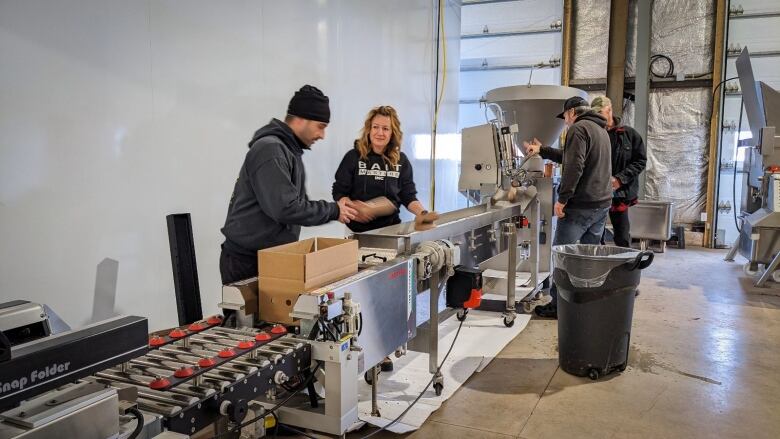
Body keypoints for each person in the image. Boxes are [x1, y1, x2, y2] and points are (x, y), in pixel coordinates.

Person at [220, 85, 357, 285]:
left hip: (270, 258)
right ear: (301, 119)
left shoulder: (288, 151)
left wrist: (335, 211)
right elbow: (286, 208)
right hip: (247, 263)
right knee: (246, 318)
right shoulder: (271, 150)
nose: (322, 135)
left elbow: (297, 204)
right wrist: (333, 211)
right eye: (320, 126)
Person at [523, 96, 612, 318]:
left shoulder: (578, 129)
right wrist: (542, 150)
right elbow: (570, 156)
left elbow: (574, 166)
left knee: (562, 256)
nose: (565, 122)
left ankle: (558, 306)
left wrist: (562, 199)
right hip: (601, 205)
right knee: (589, 256)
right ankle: (587, 300)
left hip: (581, 206)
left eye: (564, 117)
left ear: (572, 112)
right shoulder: (600, 130)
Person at [332, 105, 429, 233]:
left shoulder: (401, 161)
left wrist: (423, 214)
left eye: (385, 128)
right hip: (356, 231)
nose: (380, 133)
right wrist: (354, 209)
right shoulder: (353, 157)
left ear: (392, 132)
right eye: (375, 127)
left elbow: (408, 196)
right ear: (369, 129)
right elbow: (339, 192)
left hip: (390, 230)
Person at [590, 96, 647, 248]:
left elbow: (640, 161)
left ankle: (625, 268)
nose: (597, 117)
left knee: (621, 236)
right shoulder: (593, 134)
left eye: (600, 112)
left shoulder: (629, 135)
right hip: (597, 194)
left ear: (609, 110)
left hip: (619, 193)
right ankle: (596, 267)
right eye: (594, 113)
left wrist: (619, 179)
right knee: (595, 236)